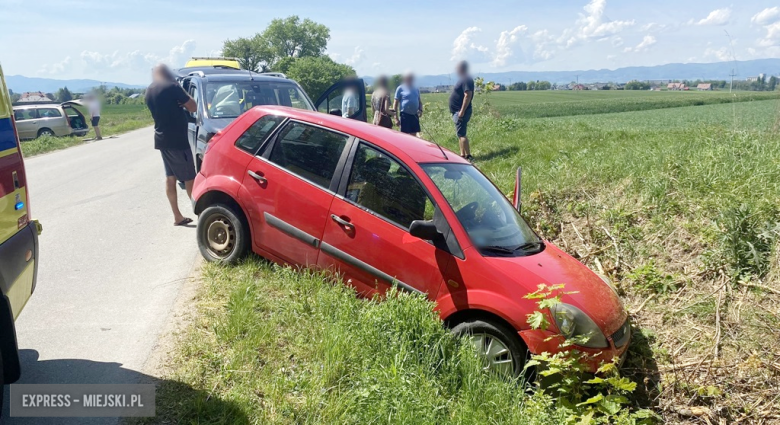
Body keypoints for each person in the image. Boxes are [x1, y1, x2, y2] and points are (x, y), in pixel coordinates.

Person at [145, 64, 198, 226]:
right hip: (177, 141)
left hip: (162, 139)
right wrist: (182, 98)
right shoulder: (172, 86)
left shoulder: (149, 90)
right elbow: (193, 106)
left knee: (170, 178)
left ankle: (177, 216)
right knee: (190, 178)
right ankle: (202, 215)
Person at [449, 61, 475, 161]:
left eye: (457, 68)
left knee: (462, 134)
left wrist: (462, 111)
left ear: (462, 69)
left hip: (460, 111)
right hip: (457, 111)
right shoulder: (464, 79)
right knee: (459, 134)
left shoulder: (466, 79)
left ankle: (468, 156)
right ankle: (462, 155)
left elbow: (468, 95)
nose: (456, 70)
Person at [393, 72, 423, 137]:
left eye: (411, 78)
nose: (410, 79)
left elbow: (420, 102)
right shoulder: (400, 88)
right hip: (405, 115)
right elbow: (395, 103)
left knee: (414, 135)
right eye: (408, 78)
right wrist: (396, 118)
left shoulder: (416, 89)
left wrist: (420, 110)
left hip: (414, 115)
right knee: (405, 136)